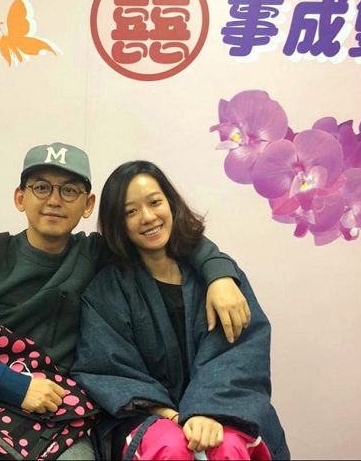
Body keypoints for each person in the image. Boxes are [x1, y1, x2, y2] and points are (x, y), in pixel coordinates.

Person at [0, 142, 251, 460]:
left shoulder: (97, 254)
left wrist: (219, 273)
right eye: (41, 187)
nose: (54, 200)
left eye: (69, 190)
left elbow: (165, 236)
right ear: (20, 197)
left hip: (58, 418)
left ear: (88, 205)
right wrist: (16, 385)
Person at [72, 161, 289, 460]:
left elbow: (239, 353)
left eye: (154, 202)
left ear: (171, 204)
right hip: (148, 416)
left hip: (225, 404)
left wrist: (207, 410)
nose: (147, 217)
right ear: (117, 223)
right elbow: (107, 366)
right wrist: (173, 416)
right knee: (170, 446)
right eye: (130, 212)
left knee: (227, 446)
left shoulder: (217, 279)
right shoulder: (107, 289)